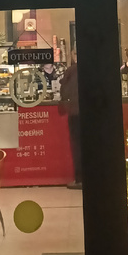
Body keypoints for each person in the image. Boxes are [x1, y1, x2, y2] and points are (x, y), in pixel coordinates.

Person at [59, 48, 82, 189]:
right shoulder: (94, 69)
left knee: (77, 145)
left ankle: (80, 179)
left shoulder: (71, 71)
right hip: (92, 113)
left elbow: (64, 91)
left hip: (75, 113)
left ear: (74, 56)